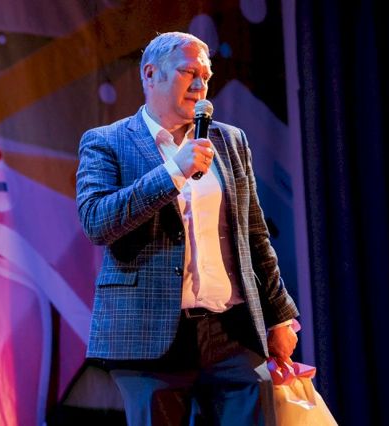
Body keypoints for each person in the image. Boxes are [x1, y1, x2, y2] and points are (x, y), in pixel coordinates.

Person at [76, 32, 299, 425]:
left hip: (233, 332)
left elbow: (254, 234)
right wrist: (173, 172)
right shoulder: (107, 142)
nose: (200, 86)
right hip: (150, 339)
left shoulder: (229, 141)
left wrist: (279, 316)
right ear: (150, 74)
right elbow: (97, 222)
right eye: (189, 73)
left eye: (206, 76)